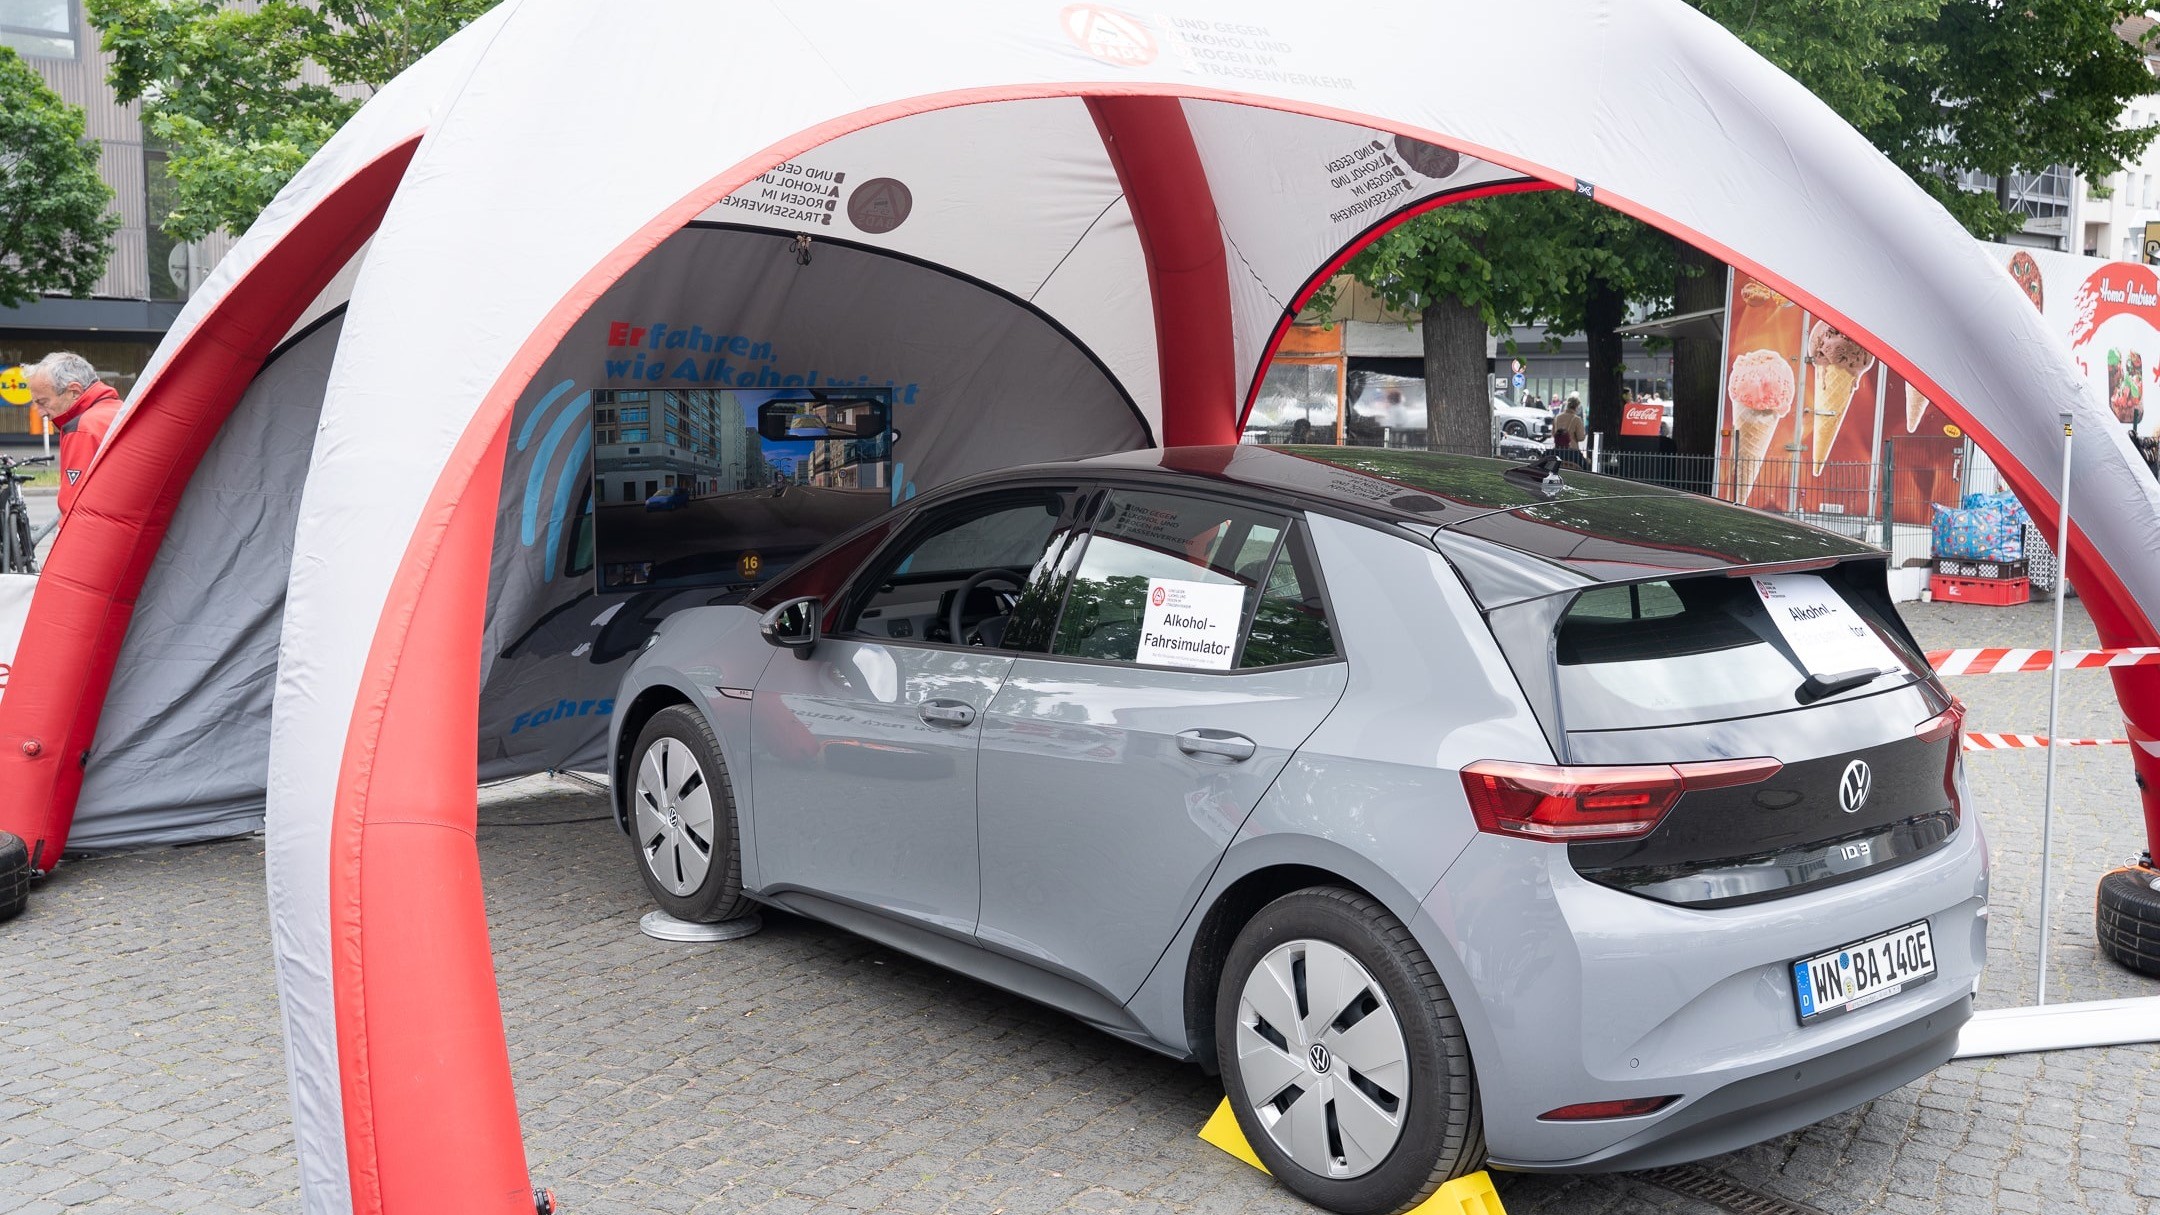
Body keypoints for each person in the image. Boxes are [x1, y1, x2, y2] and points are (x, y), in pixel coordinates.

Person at [26, 351, 121, 521]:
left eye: (43, 402)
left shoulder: (82, 428)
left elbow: (74, 507)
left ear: (74, 391)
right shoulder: (117, 411)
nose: (40, 413)